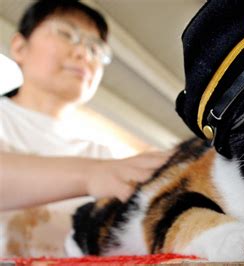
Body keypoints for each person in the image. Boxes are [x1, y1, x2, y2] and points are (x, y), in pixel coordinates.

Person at [0, 0, 169, 257]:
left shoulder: (100, 154)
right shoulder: (100, 167)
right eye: (67, 34)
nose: (84, 54)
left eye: (96, 48)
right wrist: (90, 175)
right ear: (20, 47)